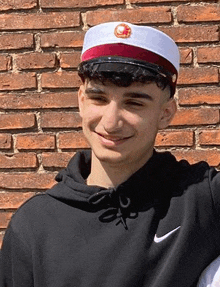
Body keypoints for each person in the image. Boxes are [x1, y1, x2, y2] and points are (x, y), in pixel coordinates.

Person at [0, 21, 220, 287]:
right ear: (81, 100)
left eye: (134, 103)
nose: (111, 122)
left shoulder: (203, 200)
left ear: (166, 113)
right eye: (99, 99)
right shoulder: (33, 225)